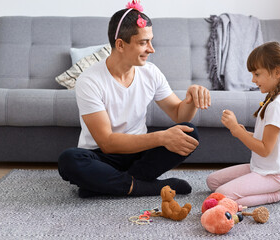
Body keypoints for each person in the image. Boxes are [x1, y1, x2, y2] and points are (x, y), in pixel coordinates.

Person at [58, 1, 211, 198]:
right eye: (143, 42)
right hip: (102, 156)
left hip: (139, 153)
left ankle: (107, 186)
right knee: (69, 160)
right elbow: (107, 143)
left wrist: (191, 98)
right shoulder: (89, 80)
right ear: (120, 44)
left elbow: (178, 113)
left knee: (189, 132)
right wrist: (162, 137)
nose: (151, 49)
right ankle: (149, 187)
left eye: (151, 41)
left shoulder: (151, 72)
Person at [206, 41, 280, 207]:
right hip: (259, 168)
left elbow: (264, 149)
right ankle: (274, 190)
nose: (253, 80)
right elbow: (267, 141)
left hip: (274, 175)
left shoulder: (278, 106)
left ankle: (278, 193)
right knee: (212, 182)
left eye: (257, 74)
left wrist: (237, 130)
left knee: (221, 196)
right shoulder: (273, 99)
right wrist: (241, 131)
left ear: (277, 72)